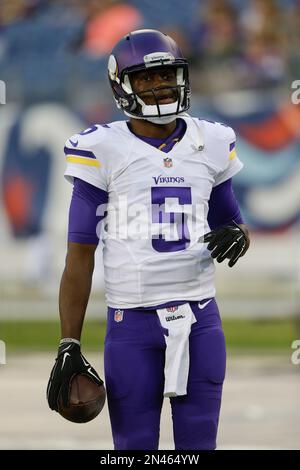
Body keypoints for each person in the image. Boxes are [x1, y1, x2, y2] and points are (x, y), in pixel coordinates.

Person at [47, 28, 250, 450]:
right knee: (134, 447)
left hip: (201, 320)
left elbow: (233, 221)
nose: (159, 85)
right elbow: (80, 253)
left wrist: (239, 236)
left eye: (166, 75)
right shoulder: (103, 147)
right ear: (122, 86)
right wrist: (69, 342)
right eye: (144, 78)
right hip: (132, 324)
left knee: (199, 447)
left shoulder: (210, 140)